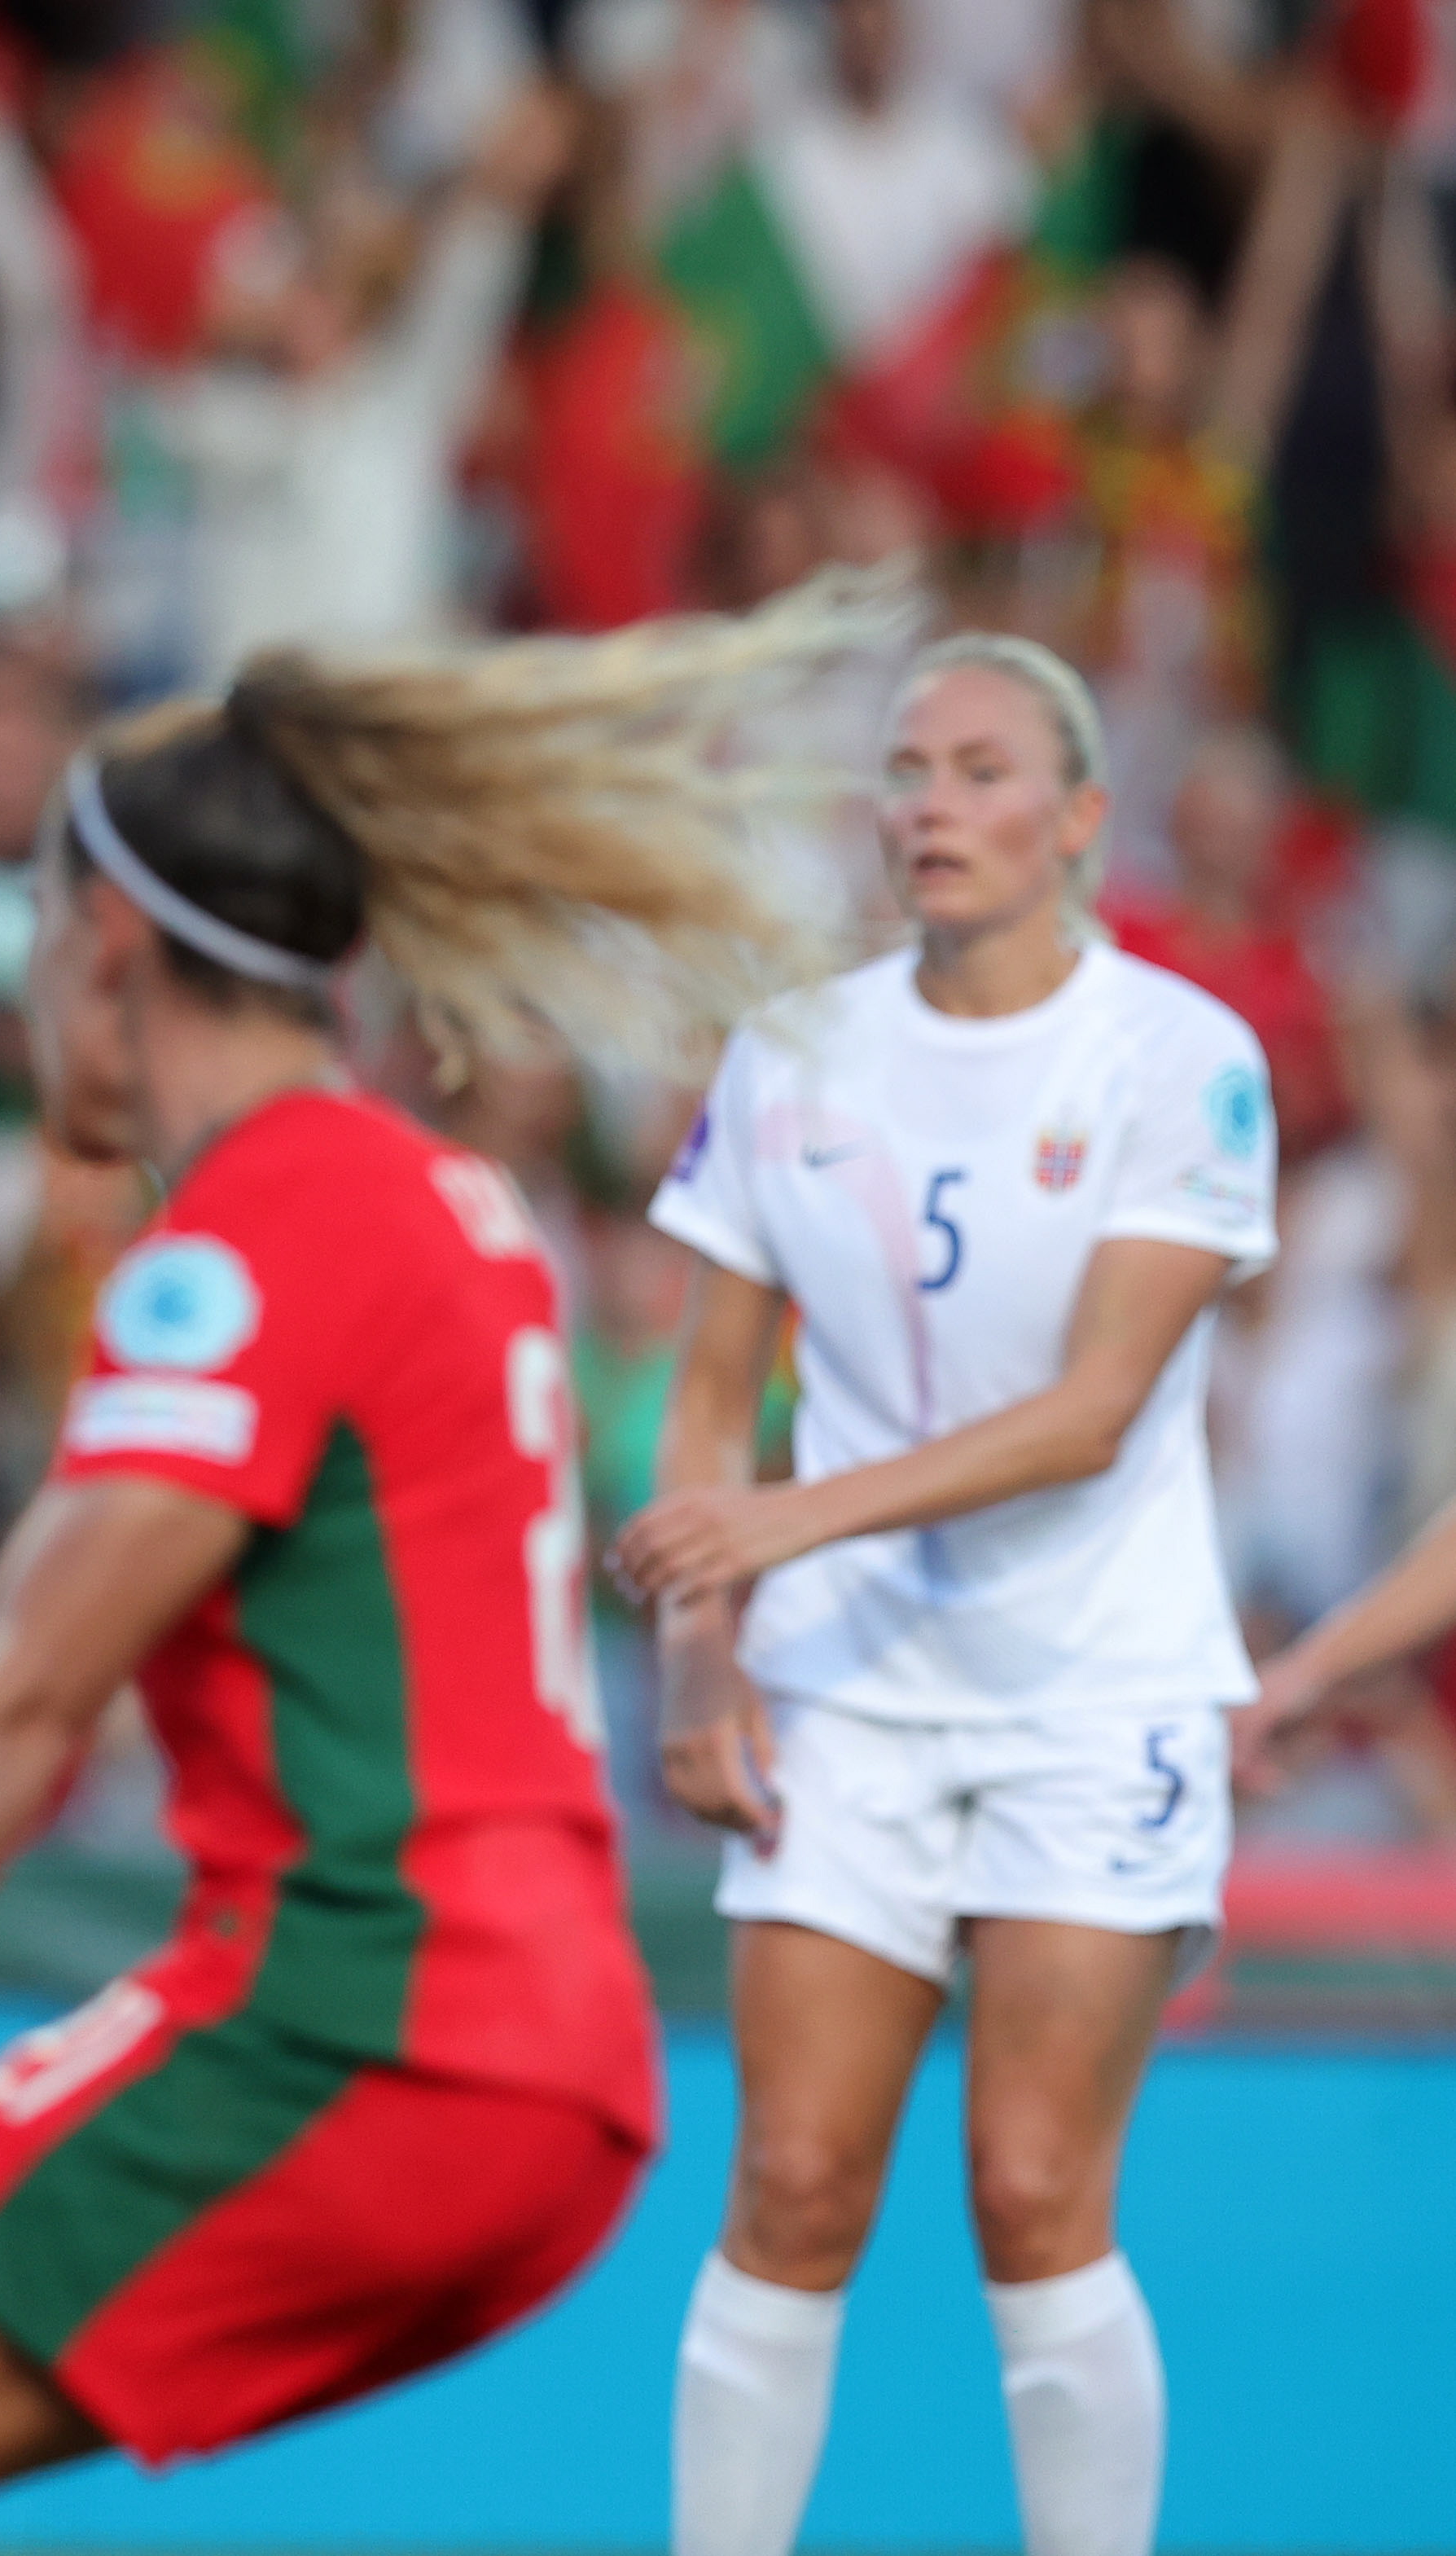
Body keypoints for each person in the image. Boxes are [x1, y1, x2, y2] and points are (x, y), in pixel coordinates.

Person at [0, 579, 901, 2551]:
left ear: (114, 947)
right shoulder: (452, 1197)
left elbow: (32, 1688)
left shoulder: (249, 1232)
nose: (30, 992)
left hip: (370, 2011)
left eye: (44, 941)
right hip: (542, 2048)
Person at [615, 634, 1278, 2556]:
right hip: (840, 1695)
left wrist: (777, 1531)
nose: (929, 806)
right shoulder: (788, 1050)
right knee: (796, 2181)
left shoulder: (1177, 1060)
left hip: (1093, 1690)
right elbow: (711, 1401)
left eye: (982, 770)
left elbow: (1085, 1415)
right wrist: (693, 1669)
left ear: (1079, 820)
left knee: (1027, 2188)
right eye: (904, 770)